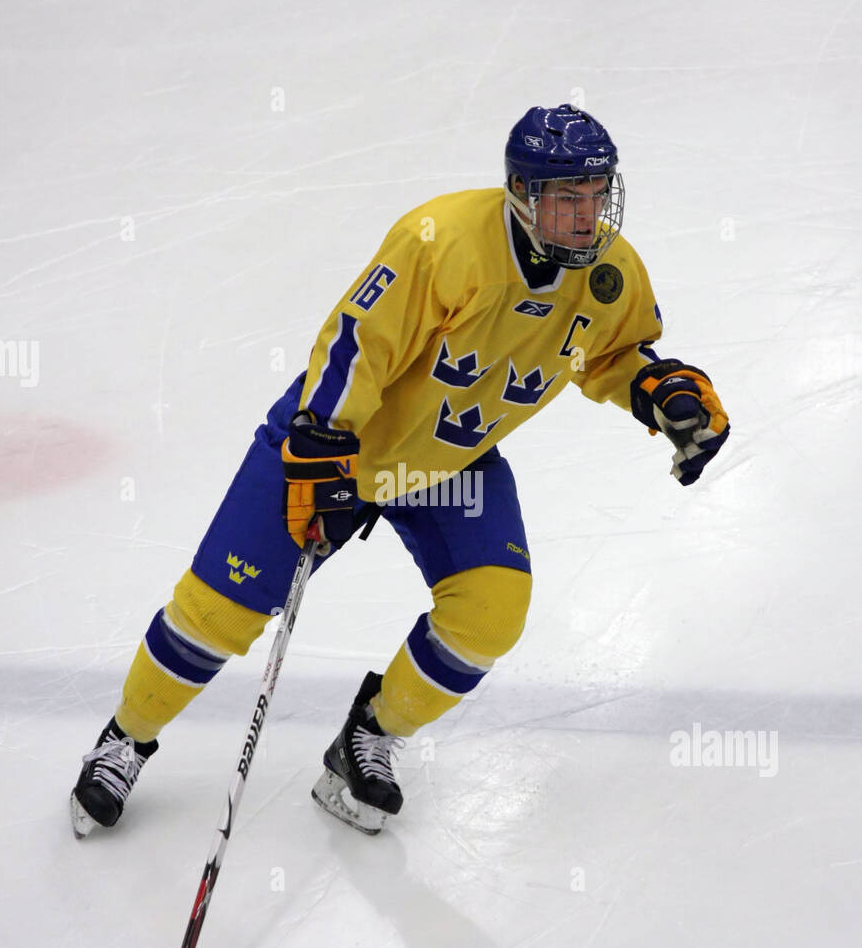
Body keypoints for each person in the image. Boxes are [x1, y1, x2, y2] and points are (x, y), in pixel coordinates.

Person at [70, 103, 730, 837]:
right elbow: (359, 343)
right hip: (337, 443)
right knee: (218, 614)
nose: (586, 216)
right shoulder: (443, 240)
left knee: (489, 615)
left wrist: (659, 390)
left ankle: (367, 739)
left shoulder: (611, 273)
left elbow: (611, 354)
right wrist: (321, 446)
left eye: (596, 194)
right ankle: (125, 738)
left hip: (452, 462)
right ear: (521, 190)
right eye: (566, 198)